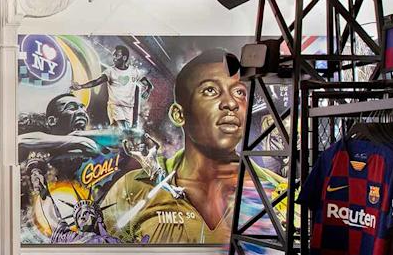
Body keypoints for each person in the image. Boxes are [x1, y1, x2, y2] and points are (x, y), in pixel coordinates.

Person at [101, 49, 287, 244]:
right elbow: (101, 248)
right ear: (179, 114)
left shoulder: (277, 191)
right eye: (210, 90)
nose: (231, 103)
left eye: (239, 92)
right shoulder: (132, 188)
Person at [70, 44, 152, 128]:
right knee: (122, 127)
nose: (114, 58)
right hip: (115, 106)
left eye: (117, 55)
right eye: (114, 55)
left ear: (124, 58)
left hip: (128, 108)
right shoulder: (110, 72)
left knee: (125, 131)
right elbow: (97, 81)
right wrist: (81, 86)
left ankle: (112, 129)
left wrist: (148, 89)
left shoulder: (133, 71)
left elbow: (147, 84)